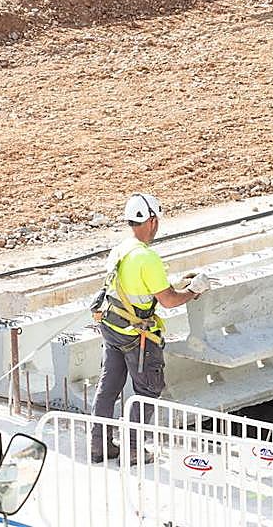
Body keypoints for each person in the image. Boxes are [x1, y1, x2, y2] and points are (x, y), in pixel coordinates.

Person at [89, 193, 205, 463]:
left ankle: (99, 445)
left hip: (112, 328)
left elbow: (137, 289)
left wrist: (175, 284)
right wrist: (193, 291)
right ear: (151, 220)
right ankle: (132, 449)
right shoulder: (147, 257)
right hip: (136, 335)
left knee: (109, 386)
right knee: (147, 391)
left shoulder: (121, 249)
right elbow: (168, 300)